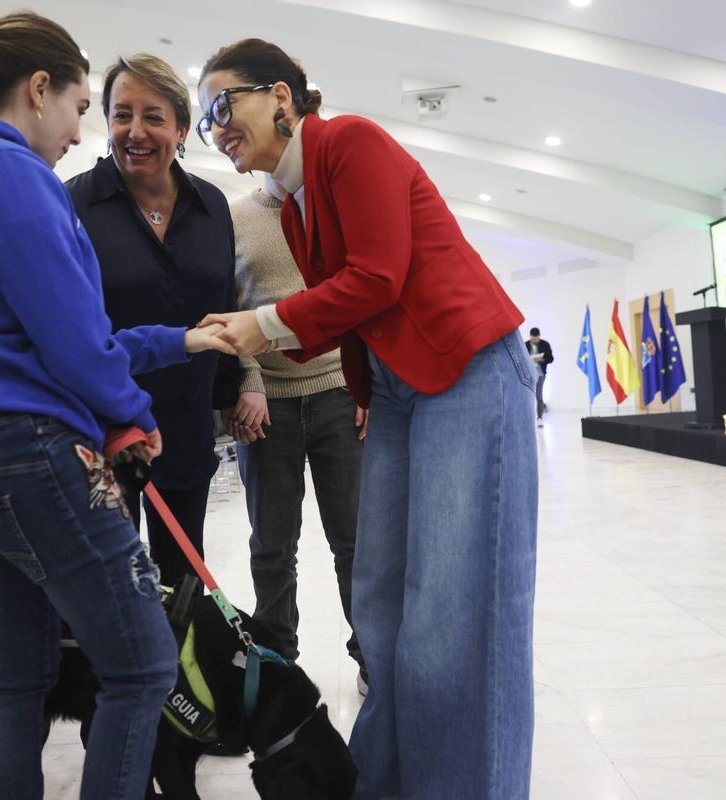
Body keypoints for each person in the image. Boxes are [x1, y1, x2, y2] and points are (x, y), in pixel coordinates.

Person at [0, 4, 233, 798]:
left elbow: (39, 334)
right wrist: (132, 415)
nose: (81, 134)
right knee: (143, 667)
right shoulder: (10, 172)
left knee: (18, 671)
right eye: (82, 108)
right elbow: (74, 345)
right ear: (40, 89)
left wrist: (180, 341)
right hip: (28, 450)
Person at [196, 39, 539, 800]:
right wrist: (234, 341)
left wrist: (263, 323)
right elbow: (331, 321)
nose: (215, 126)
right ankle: (382, 783)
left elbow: (379, 276)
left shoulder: (349, 140)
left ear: (282, 96)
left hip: (465, 371)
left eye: (224, 104)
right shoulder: (291, 206)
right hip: (390, 391)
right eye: (205, 117)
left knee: (456, 624)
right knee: (381, 615)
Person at [66, 54, 241, 586]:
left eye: (153, 117)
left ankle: (181, 673)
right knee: (109, 581)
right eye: (122, 115)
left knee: (184, 578)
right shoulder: (72, 202)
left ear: (183, 129)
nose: (135, 132)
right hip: (100, 430)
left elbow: (225, 303)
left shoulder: (212, 205)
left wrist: (233, 392)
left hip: (186, 424)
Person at [228, 178, 366, 693]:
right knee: (272, 546)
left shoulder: (336, 214)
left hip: (339, 395)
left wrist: (366, 387)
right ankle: (277, 663)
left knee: (354, 543)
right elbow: (226, 305)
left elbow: (365, 299)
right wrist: (248, 380)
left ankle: (370, 657)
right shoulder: (235, 218)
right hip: (266, 407)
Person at [527, 327, 554, 426]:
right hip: (528, 374)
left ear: (539, 336)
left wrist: (541, 360)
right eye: (533, 338)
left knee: (539, 395)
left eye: (536, 338)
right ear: (530, 337)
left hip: (540, 374)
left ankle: (539, 417)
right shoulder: (525, 345)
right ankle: (528, 417)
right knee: (528, 396)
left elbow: (550, 358)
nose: (535, 340)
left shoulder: (545, 344)